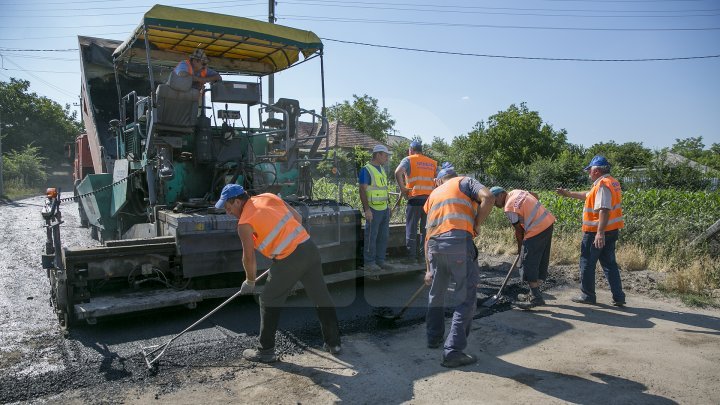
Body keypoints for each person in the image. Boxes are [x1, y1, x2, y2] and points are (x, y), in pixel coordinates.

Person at [215, 184, 341, 363]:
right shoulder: (268, 196)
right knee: (321, 296)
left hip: (289, 258)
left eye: (228, 208)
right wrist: (285, 244)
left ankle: (265, 350)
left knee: (268, 299)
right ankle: (334, 343)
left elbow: (248, 258)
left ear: (237, 201)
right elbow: (297, 218)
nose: (228, 212)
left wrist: (250, 281)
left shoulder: (244, 223)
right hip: (308, 248)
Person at [424, 162, 495, 368]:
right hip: (457, 243)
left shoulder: (433, 195)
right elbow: (489, 198)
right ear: (454, 175)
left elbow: (427, 236)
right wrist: (476, 224)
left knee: (436, 293)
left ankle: (433, 338)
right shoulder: (465, 181)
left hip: (435, 247)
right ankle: (453, 351)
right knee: (465, 298)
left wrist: (428, 269)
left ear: (439, 179)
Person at [556, 155, 627, 307]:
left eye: (590, 170)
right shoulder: (611, 182)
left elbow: (604, 209)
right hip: (611, 230)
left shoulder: (602, 185)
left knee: (587, 263)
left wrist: (599, 233)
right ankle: (619, 296)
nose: (588, 173)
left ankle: (587, 295)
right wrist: (568, 194)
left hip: (596, 233)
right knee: (610, 264)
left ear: (596, 171)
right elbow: (587, 195)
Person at [490, 186, 556, 309]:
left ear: (501, 195)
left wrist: (521, 248)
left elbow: (519, 231)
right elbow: (535, 195)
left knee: (528, 262)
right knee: (540, 259)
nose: (494, 205)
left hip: (536, 229)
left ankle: (536, 298)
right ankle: (532, 294)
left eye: (494, 201)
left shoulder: (509, 207)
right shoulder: (517, 192)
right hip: (548, 223)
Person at [394, 140, 438, 263]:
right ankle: (424, 257)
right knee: (426, 230)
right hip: (429, 201)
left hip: (414, 199)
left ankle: (411, 257)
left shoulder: (409, 159)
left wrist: (402, 188)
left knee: (411, 229)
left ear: (411, 150)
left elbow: (398, 172)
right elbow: (440, 180)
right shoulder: (432, 163)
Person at [359, 144, 392, 272]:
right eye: (385, 156)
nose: (387, 159)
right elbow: (362, 190)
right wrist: (366, 210)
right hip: (373, 209)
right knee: (371, 236)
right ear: (378, 154)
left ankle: (380, 261)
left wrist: (388, 206)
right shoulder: (365, 170)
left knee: (383, 236)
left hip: (384, 209)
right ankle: (369, 262)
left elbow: (383, 190)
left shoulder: (382, 169)